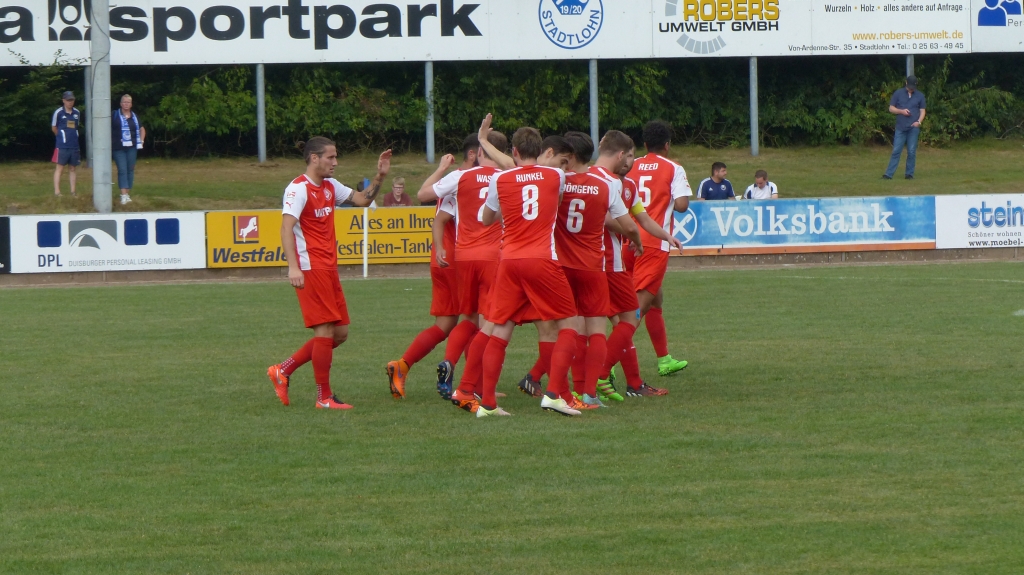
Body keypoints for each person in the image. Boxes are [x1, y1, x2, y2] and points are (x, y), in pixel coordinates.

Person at [266, 137, 391, 410]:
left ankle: (283, 370)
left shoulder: (331, 186)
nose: (335, 162)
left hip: (329, 267)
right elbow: (286, 228)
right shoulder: (298, 189)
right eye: (330, 157)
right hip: (311, 267)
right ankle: (323, 397)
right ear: (314, 158)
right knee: (324, 331)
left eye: (336, 157)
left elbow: (361, 200)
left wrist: (380, 177)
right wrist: (293, 267)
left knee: (340, 333)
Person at [415, 126, 508, 409]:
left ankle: (450, 361)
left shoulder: (460, 177)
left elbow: (423, 195)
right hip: (493, 257)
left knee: (467, 319)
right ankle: (476, 386)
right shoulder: (508, 176)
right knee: (489, 324)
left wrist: (442, 169)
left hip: (464, 258)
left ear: (479, 152)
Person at [593, 131, 686, 399]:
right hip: (615, 256)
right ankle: (602, 371)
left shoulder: (625, 182)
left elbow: (640, 218)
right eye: (630, 157)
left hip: (620, 252)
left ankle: (640, 377)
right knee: (629, 316)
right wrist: (636, 237)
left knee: (646, 304)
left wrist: (665, 235)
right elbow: (680, 205)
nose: (631, 162)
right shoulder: (608, 181)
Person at [555, 131, 640, 408]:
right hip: (594, 265)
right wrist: (638, 242)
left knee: (569, 329)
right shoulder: (607, 184)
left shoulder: (557, 181)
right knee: (599, 329)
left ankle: (568, 391)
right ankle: (590, 392)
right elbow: (627, 225)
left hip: (561, 265)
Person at [624, 120, 692, 377]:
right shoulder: (673, 168)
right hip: (653, 243)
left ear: (644, 144)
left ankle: (664, 359)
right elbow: (682, 205)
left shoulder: (631, 165)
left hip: (628, 239)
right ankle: (606, 366)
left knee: (655, 299)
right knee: (637, 310)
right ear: (667, 145)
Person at [883, 76, 926, 180]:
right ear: (906, 83)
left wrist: (919, 122)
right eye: (910, 87)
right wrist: (901, 111)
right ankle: (888, 174)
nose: (911, 89)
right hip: (901, 127)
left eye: (913, 87)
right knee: (896, 151)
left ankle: (909, 174)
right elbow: (891, 108)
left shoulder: (920, 96)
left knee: (911, 151)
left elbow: (922, 110)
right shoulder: (898, 93)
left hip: (913, 128)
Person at [111, 94, 145, 206]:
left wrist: (141, 140)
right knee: (122, 169)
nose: (126, 104)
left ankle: (127, 193)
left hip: (132, 147)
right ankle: (123, 195)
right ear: (121, 104)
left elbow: (141, 129)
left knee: (130, 169)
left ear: (131, 104)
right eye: (124, 102)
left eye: (128, 102)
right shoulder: (115, 115)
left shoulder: (134, 116)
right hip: (118, 147)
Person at [51, 91, 82, 197]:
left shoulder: (77, 112)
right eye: (68, 100)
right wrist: (61, 137)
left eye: (72, 100)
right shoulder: (59, 113)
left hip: (74, 145)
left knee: (73, 168)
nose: (70, 102)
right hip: (62, 146)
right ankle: (57, 192)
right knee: (60, 168)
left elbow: (76, 126)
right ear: (63, 100)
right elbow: (54, 128)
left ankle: (73, 191)